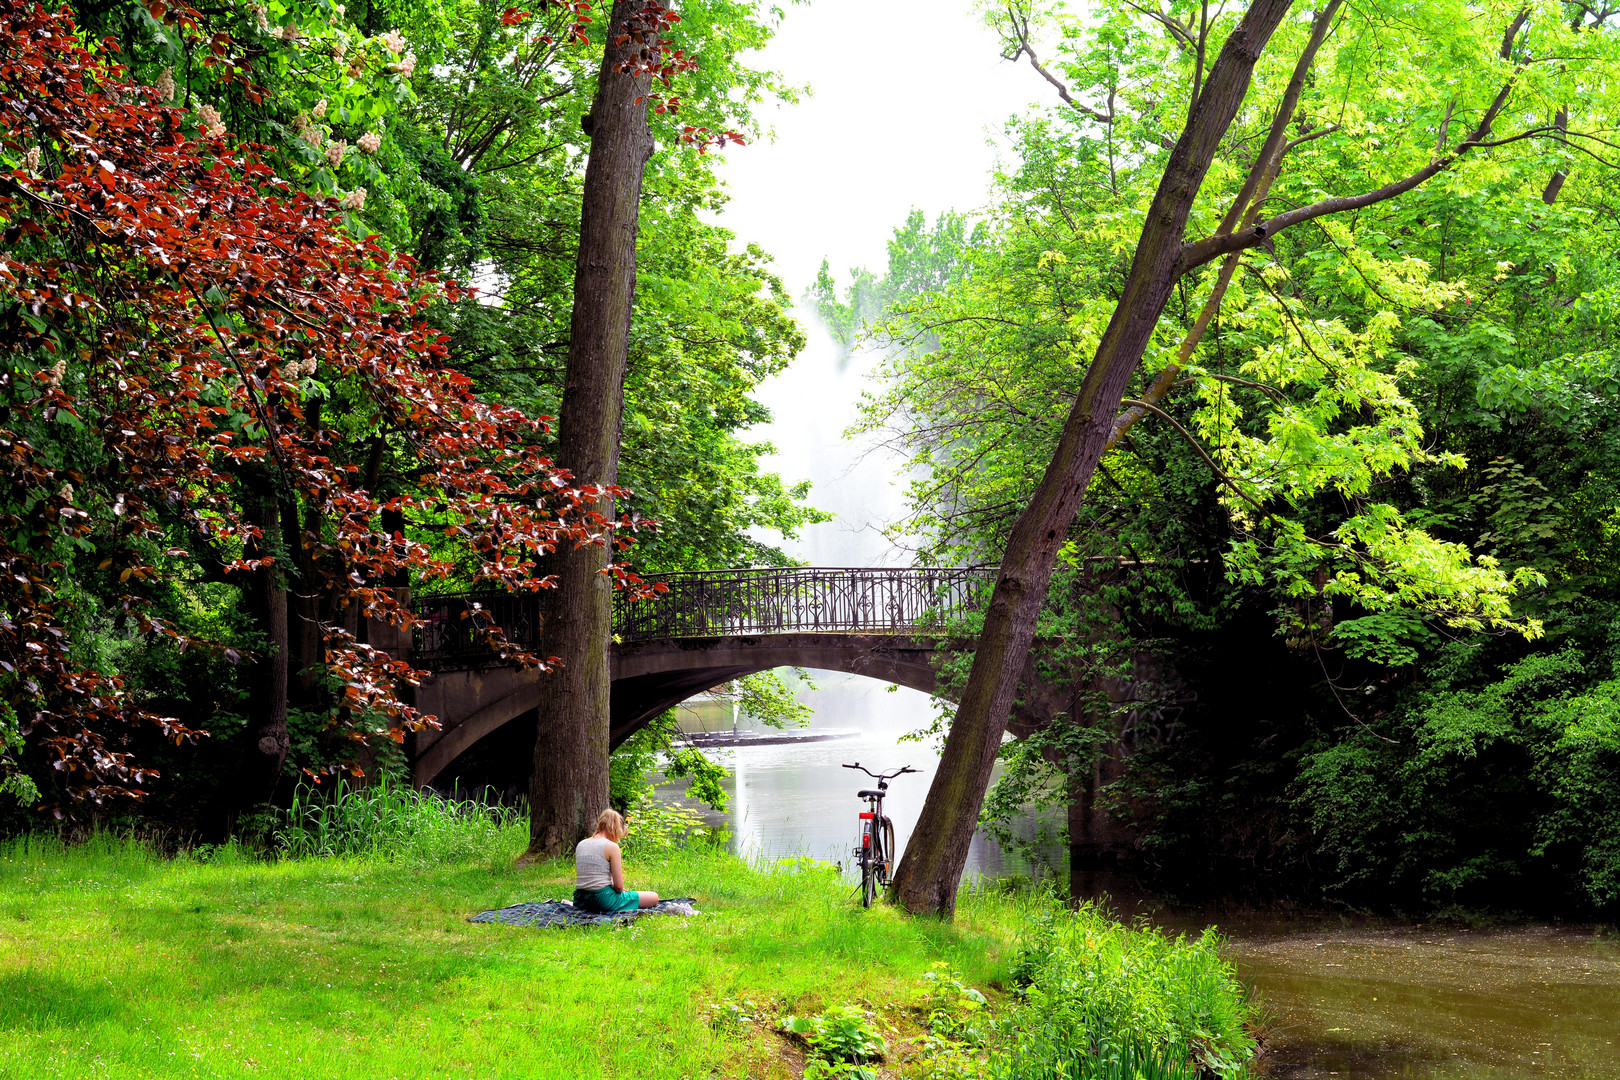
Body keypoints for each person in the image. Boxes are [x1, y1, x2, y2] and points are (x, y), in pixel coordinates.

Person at [573, 809, 661, 912]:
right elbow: (619, 886)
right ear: (615, 828)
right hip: (603, 900)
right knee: (654, 897)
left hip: (580, 900)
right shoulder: (611, 846)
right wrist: (619, 891)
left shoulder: (581, 844)